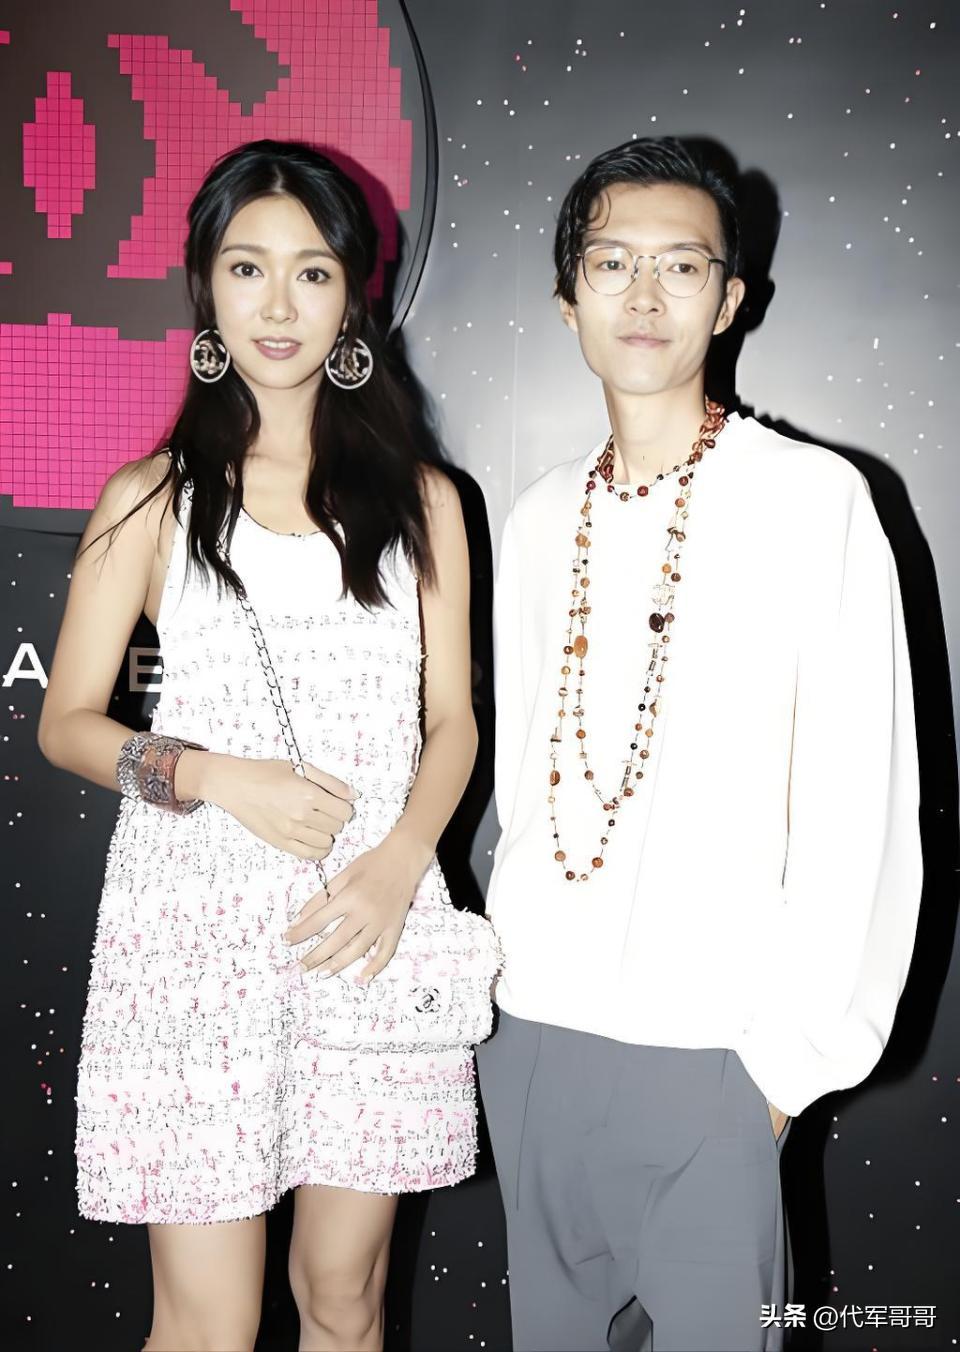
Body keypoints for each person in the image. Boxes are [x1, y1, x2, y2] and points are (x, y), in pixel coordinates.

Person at [38, 139, 499, 1352]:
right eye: (248, 268)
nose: (279, 305)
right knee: (208, 1322)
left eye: (312, 272)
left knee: (345, 1300)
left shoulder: (426, 500)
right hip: (193, 937)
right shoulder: (149, 497)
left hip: (368, 923)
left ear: (353, 295)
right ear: (206, 287)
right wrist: (211, 775)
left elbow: (452, 720)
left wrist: (402, 858)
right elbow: (67, 719)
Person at [476, 137, 922, 1352]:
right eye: (611, 262)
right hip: (535, 1036)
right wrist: (507, 1022)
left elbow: (860, 804)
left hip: (719, 1053)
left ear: (729, 300)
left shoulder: (814, 499)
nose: (644, 293)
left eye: (681, 265)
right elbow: (524, 784)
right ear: (567, 297)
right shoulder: (537, 517)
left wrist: (781, 1070)